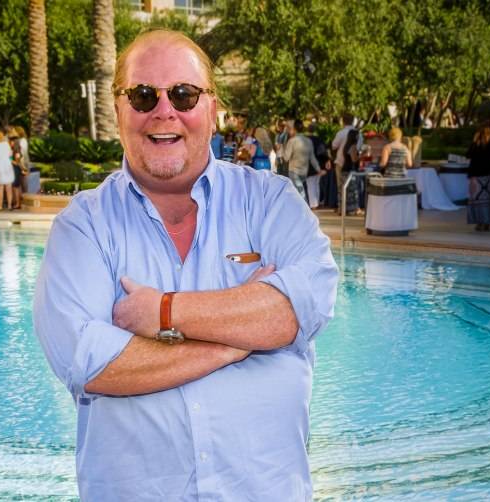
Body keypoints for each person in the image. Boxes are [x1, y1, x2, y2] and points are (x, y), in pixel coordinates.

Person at [33, 29, 338, 501]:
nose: (164, 110)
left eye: (183, 94)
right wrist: (234, 344)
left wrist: (163, 314)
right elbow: (91, 362)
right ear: (118, 112)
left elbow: (298, 308)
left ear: (212, 109)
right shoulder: (83, 226)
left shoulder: (271, 202)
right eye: (141, 95)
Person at [466, 125, 490, 231]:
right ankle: (485, 222)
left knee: (476, 200)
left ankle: (479, 222)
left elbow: (468, 155)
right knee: (485, 200)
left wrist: (474, 141)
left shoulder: (476, 145)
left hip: (475, 175)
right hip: (486, 175)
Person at [330, 114, 362, 213]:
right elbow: (358, 148)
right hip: (352, 164)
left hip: (340, 162)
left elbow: (333, 146)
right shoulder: (358, 134)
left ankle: (341, 208)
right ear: (353, 121)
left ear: (343, 121)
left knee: (341, 186)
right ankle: (354, 208)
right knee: (353, 187)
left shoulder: (341, 133)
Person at [283, 119, 320, 200]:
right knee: (299, 192)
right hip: (304, 171)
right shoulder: (308, 141)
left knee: (300, 193)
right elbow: (312, 158)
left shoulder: (292, 141)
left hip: (294, 171)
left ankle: (304, 210)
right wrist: (318, 169)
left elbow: (286, 158)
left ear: (294, 129)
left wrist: (283, 148)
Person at [341, 129, 363, 216]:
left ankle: (345, 209)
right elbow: (354, 159)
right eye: (358, 136)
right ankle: (354, 209)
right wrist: (362, 155)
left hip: (345, 169)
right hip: (350, 170)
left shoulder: (346, 145)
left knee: (346, 191)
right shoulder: (353, 146)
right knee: (353, 191)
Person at [306, 124, 329, 209]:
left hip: (309, 165)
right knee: (316, 184)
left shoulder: (306, 140)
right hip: (319, 164)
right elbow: (323, 152)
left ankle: (313, 204)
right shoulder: (319, 139)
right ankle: (316, 202)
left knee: (310, 184)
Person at [0, 130, 14, 210]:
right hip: (7, 164)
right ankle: (9, 205)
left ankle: (0, 206)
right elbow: (10, 154)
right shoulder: (6, 144)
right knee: (9, 187)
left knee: (0, 187)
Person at [9, 129, 26, 209]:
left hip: (16, 170)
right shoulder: (15, 150)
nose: (10, 143)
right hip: (16, 170)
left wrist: (10, 161)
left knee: (16, 187)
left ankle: (17, 203)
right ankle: (17, 203)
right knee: (17, 187)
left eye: (11, 142)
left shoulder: (16, 151)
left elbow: (17, 162)